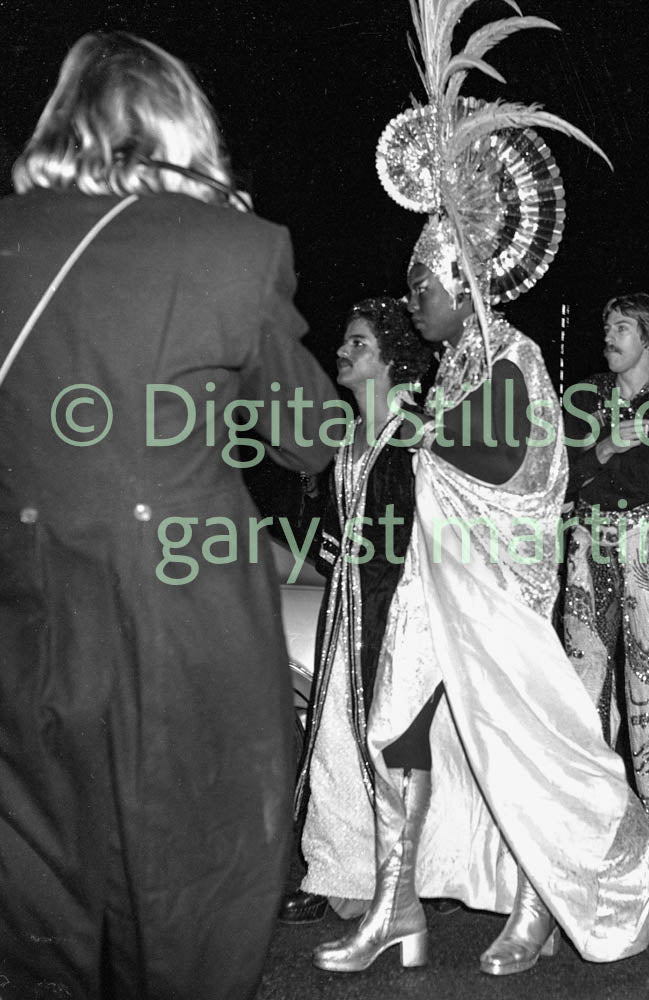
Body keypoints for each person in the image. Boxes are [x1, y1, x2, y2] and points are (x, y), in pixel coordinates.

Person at [311, 0, 649, 978]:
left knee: (519, 754)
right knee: (392, 733)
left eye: (419, 283)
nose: (410, 299)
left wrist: (423, 433)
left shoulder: (507, 360)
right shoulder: (452, 365)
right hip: (436, 595)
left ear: (455, 283)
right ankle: (393, 908)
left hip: (496, 606)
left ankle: (541, 905)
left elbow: (512, 465)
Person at [0, 33, 336, 998]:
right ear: (182, 130)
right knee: (196, 899)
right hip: (180, 627)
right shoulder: (230, 247)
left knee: (40, 916)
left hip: (25, 621)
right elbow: (309, 434)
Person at [279, 296, 433, 924]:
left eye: (359, 343)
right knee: (333, 735)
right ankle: (332, 867)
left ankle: (410, 875)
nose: (343, 351)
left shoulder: (416, 436)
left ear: (391, 360)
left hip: (397, 610)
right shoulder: (346, 441)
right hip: (346, 605)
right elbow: (333, 534)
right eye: (345, 341)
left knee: (397, 743)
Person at [561, 292, 649, 860]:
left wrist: (600, 462)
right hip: (586, 546)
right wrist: (612, 442)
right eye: (606, 326)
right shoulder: (587, 394)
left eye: (623, 326)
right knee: (581, 685)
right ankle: (587, 825)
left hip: (644, 548)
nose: (609, 336)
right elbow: (564, 475)